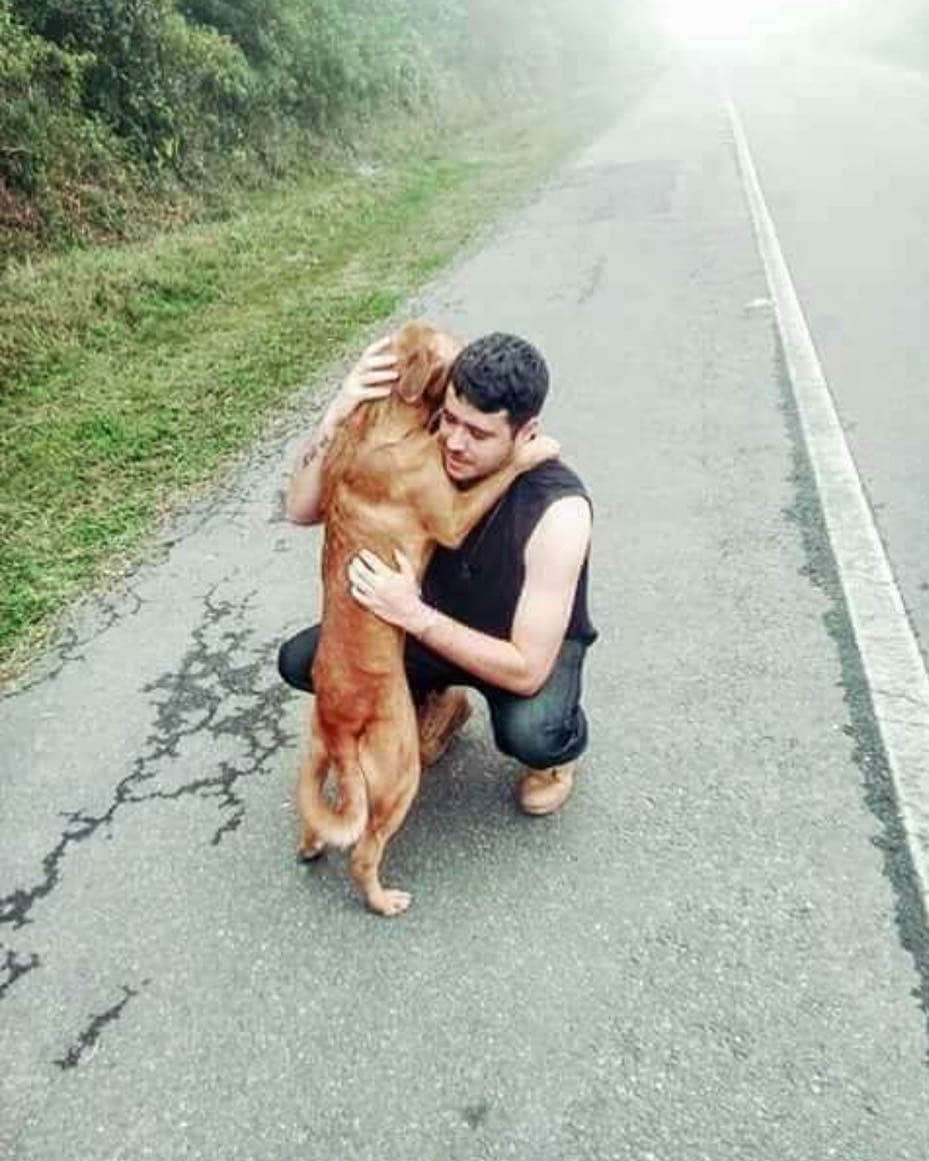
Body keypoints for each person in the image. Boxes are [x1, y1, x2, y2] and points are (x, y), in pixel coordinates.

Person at [278, 331, 596, 815]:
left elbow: (527, 669)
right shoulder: (421, 445)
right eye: (449, 418)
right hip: (423, 618)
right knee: (304, 661)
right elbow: (299, 509)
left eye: (480, 434)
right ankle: (439, 703)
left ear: (526, 432)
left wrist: (414, 615)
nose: (455, 442)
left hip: (511, 647)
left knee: (534, 732)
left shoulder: (558, 510)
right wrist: (337, 412)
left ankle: (555, 762)